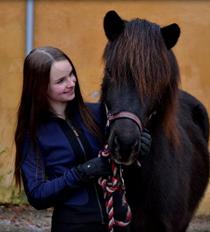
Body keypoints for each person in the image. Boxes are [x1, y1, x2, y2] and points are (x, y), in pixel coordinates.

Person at [14, 46, 151, 232]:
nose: (71, 82)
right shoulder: (32, 134)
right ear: (40, 87)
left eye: (71, 74)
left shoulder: (100, 113)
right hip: (73, 226)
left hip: (119, 224)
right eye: (61, 80)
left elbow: (122, 166)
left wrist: (138, 150)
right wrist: (84, 172)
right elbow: (38, 195)